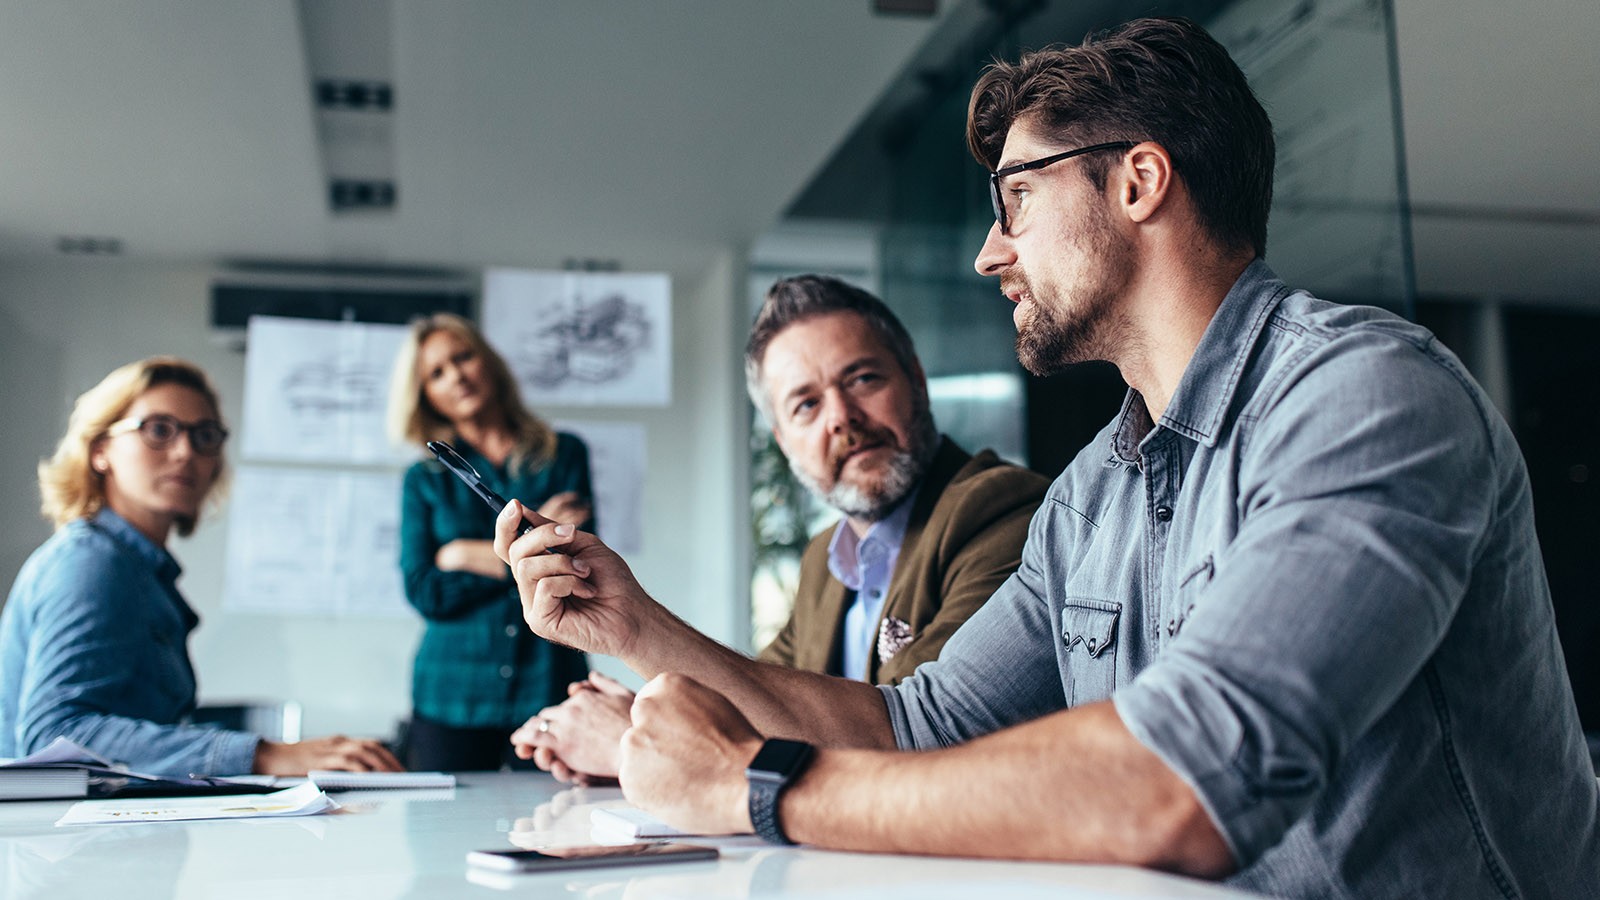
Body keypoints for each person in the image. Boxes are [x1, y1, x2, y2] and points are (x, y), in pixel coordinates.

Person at [491, 17, 1599, 897]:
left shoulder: (1365, 397)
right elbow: (913, 728)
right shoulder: (1094, 495)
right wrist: (630, 625)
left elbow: (1185, 786)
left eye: (1017, 199)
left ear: (1137, 182)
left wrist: (757, 787)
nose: (987, 252)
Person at [510, 276, 1049, 782]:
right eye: (806, 404)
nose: (841, 417)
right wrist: (649, 714)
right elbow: (759, 702)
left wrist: (634, 740)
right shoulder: (825, 559)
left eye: (862, 379)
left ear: (916, 378)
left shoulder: (1002, 511)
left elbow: (909, 739)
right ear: (782, 438)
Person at [0, 357, 402, 778]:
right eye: (158, 429)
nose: (185, 451)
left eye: (205, 436)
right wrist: (264, 755)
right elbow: (54, 736)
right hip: (64, 840)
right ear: (100, 450)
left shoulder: (139, 571)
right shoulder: (92, 563)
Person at [389, 313, 595, 771]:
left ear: (488, 363)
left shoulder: (564, 455)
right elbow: (424, 589)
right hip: (451, 694)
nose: (456, 376)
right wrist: (527, 553)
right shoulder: (423, 481)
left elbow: (575, 565)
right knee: (442, 837)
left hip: (547, 683)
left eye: (463, 357)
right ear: (425, 395)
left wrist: (460, 555)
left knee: (556, 827)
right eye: (437, 373)